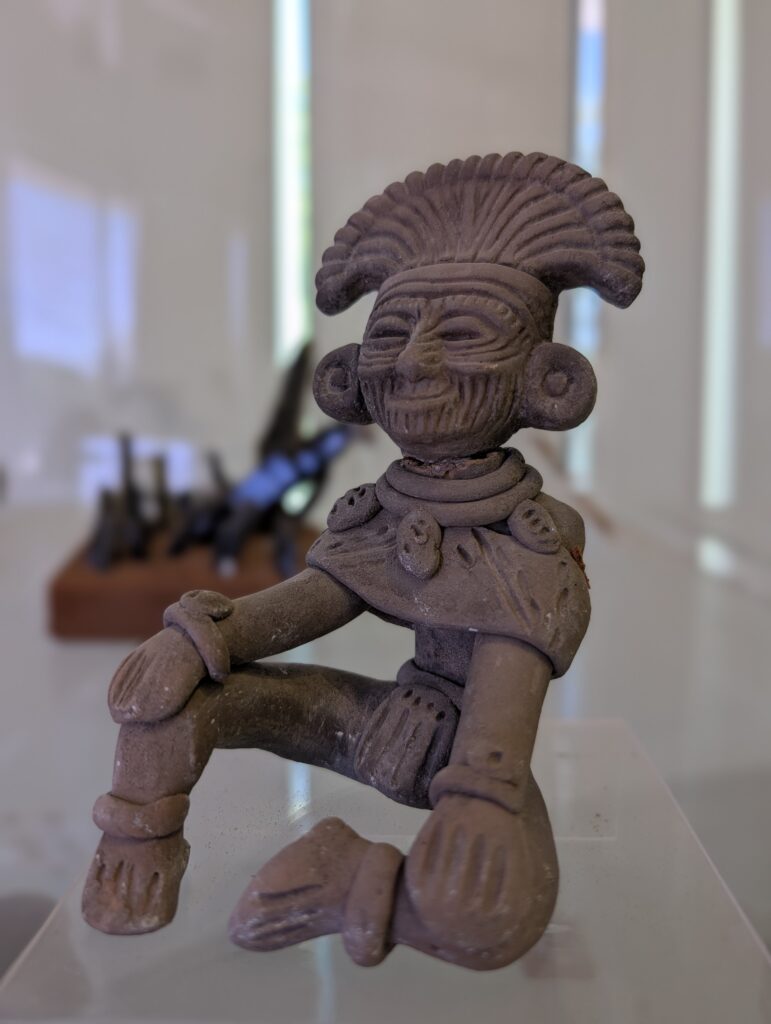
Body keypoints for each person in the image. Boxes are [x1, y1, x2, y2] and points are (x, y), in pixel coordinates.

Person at [82, 152, 643, 970]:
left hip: (469, 753)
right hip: (375, 724)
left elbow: (501, 700)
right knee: (172, 702)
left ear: (545, 380)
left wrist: (479, 798)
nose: (411, 362)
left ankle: (343, 875)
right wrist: (198, 638)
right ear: (347, 376)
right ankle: (135, 865)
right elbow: (315, 600)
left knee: (488, 919)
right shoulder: (379, 513)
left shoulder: (533, 539)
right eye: (388, 333)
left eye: (461, 334)